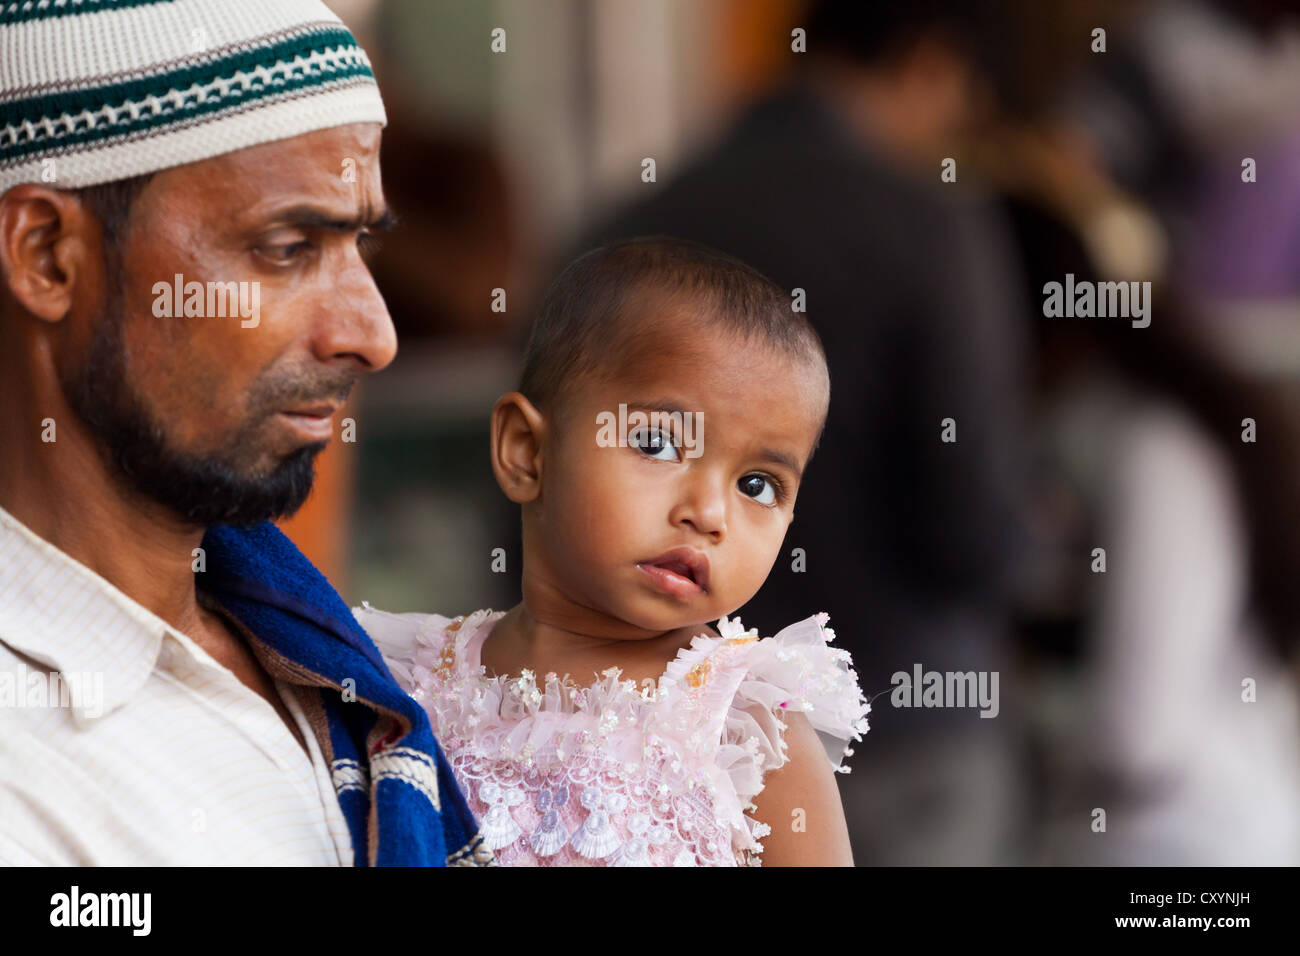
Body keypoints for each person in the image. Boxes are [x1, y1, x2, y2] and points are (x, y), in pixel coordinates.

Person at [0, 0, 488, 866]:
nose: (373, 335)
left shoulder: (315, 658)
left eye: (361, 246)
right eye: (290, 246)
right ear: (45, 254)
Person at [576, 0, 1032, 864]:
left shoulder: (631, 222)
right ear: (930, 61)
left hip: (675, 738)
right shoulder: (930, 228)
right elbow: (974, 528)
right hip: (908, 733)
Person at [355, 237, 870, 866]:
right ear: (527, 451)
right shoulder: (410, 684)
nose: (707, 514)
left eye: (757, 485)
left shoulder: (744, 728)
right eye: (657, 443)